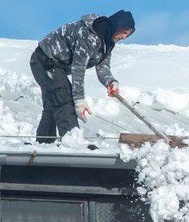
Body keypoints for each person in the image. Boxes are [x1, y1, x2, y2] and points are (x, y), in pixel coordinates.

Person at [30, 10, 135, 143]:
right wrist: (79, 100)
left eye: (128, 34)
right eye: (124, 32)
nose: (125, 37)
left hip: (56, 66)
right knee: (64, 99)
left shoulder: (107, 41)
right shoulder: (90, 35)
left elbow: (103, 67)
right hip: (45, 61)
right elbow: (78, 67)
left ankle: (43, 142)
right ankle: (73, 142)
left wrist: (110, 82)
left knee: (53, 103)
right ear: (117, 26)